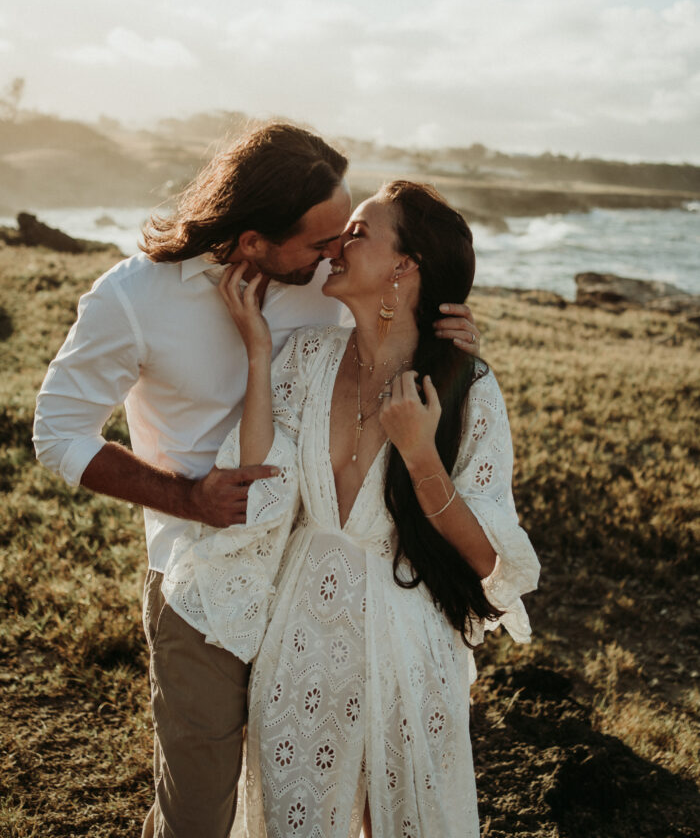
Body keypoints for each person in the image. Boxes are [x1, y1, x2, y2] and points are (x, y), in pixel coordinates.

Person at [32, 125, 481, 838]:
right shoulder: (132, 299)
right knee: (201, 812)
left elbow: (386, 320)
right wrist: (186, 498)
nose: (337, 252)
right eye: (321, 242)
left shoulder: (325, 284)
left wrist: (449, 338)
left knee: (312, 797)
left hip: (313, 583)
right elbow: (56, 432)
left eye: (344, 237)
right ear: (251, 242)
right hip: (205, 585)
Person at [163, 180, 540, 837]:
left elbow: (487, 559)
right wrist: (256, 350)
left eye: (360, 233)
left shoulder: (467, 388)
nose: (340, 244)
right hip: (300, 641)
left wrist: (421, 457)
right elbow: (261, 480)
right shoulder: (307, 358)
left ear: (406, 265)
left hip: (407, 644)